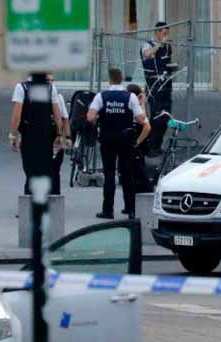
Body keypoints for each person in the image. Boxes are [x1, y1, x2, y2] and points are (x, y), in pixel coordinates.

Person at [87, 68, 151, 219]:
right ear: (121, 79)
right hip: (126, 139)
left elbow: (90, 117)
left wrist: (99, 117)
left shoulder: (101, 96)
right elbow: (141, 119)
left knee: (109, 173)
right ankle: (130, 209)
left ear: (109, 80)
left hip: (107, 138)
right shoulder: (130, 97)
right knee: (127, 173)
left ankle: (107, 210)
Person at [9, 74, 64, 195]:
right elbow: (57, 115)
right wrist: (59, 135)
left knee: (30, 169)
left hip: (29, 134)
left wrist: (13, 135)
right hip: (46, 134)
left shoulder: (21, 87)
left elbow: (16, 116)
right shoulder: (50, 88)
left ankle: (29, 201)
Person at [141, 21, 174, 156]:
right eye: (163, 33)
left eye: (167, 33)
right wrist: (159, 45)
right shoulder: (147, 44)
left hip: (166, 85)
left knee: (165, 116)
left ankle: (157, 144)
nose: (165, 36)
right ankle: (150, 145)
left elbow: (167, 62)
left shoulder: (168, 47)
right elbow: (147, 54)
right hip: (153, 86)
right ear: (157, 32)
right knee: (156, 116)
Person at [126, 84, 154, 194]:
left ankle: (148, 191)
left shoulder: (135, 107)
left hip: (137, 145)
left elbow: (145, 125)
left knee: (139, 171)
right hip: (135, 144)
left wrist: (137, 143)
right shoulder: (134, 106)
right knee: (135, 171)